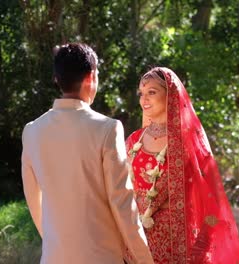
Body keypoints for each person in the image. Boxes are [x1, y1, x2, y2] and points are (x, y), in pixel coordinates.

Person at [21, 43, 154, 264]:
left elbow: (34, 200)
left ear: (57, 79)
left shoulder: (32, 131)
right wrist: (145, 260)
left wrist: (58, 242)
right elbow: (122, 204)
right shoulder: (107, 129)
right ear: (91, 77)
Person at [126, 67, 239, 263]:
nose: (144, 99)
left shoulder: (189, 143)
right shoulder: (132, 142)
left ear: (170, 95)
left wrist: (202, 246)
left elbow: (212, 196)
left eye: (152, 92)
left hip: (180, 246)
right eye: (141, 93)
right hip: (137, 244)